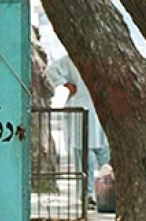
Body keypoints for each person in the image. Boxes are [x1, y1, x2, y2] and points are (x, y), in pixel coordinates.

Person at [46, 54, 111, 208]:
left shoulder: (106, 57)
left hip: (101, 111)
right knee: (85, 159)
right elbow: (51, 70)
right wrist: (66, 84)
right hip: (82, 109)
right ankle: (87, 195)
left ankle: (108, 194)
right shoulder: (72, 58)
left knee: (105, 159)